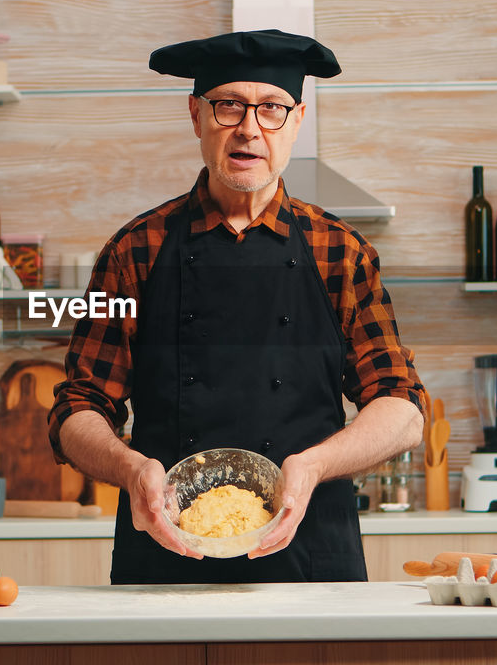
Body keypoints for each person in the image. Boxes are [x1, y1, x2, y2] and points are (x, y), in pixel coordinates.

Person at [49, 29, 425, 584]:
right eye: (229, 106)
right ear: (196, 116)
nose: (250, 128)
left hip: (312, 558)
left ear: (297, 120)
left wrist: (314, 464)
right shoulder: (135, 251)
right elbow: (77, 407)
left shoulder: (340, 252)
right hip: (165, 556)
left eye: (271, 108)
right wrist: (132, 470)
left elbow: (403, 405)